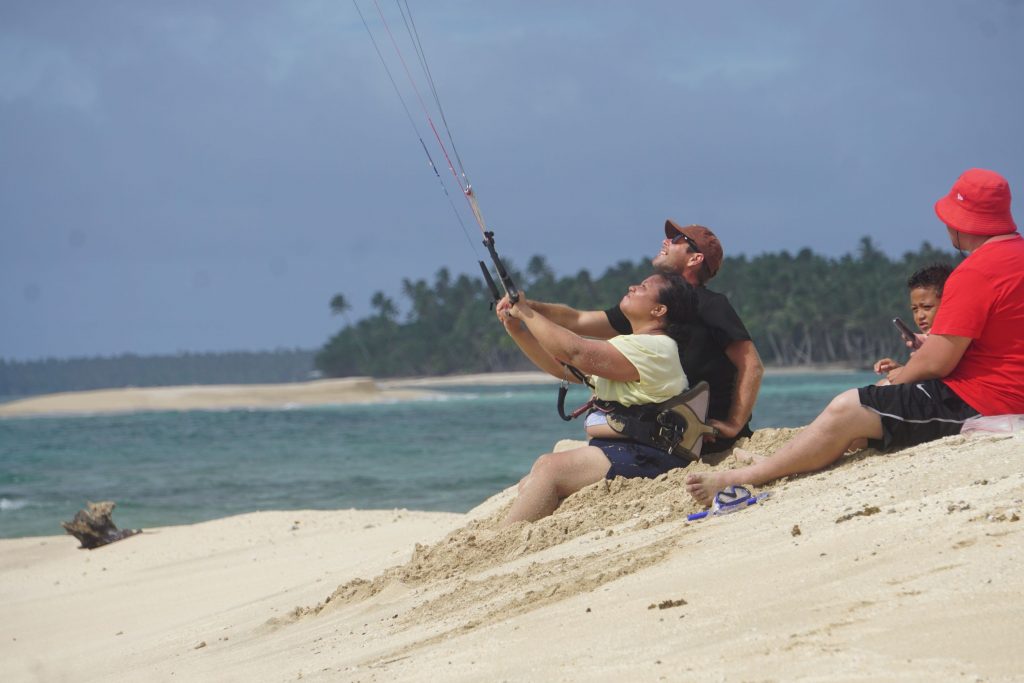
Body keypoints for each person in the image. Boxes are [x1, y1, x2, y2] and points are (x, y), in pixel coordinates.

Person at [686, 168, 1024, 506]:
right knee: (878, 398)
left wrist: (902, 374)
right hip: (1001, 390)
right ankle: (782, 462)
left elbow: (937, 363)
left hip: (987, 401)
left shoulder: (975, 272)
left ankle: (741, 478)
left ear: (961, 221)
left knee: (848, 406)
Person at [522, 221, 764, 453]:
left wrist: (733, 425)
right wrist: (523, 305)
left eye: (676, 239)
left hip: (708, 434)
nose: (666, 241)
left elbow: (751, 364)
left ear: (695, 258)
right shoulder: (651, 309)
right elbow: (577, 320)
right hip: (671, 429)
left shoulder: (711, 304)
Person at [496, 272, 698, 525]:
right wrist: (516, 329)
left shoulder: (656, 347)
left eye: (643, 287)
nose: (632, 286)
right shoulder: (633, 345)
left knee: (549, 467)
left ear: (659, 310)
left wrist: (525, 312)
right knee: (531, 482)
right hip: (630, 449)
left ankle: (503, 537)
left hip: (649, 456)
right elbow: (564, 369)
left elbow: (575, 352)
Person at [873, 263, 955, 380]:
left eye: (927, 307)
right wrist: (900, 369)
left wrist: (905, 372)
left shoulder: (955, 341)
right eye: (915, 309)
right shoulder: (930, 341)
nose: (920, 316)